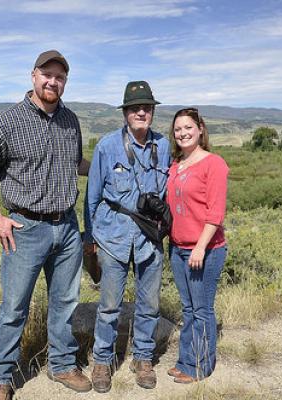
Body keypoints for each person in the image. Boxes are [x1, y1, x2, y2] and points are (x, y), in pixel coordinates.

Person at [0, 50, 91, 400]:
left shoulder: (70, 120)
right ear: (33, 76)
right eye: (47, 74)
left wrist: (113, 161)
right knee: (14, 307)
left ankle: (63, 364)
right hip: (25, 229)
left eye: (60, 77)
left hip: (67, 226)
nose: (53, 81)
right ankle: (0, 376)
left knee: (66, 301)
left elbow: (77, 163)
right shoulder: (7, 121)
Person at [83, 81, 170, 392]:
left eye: (146, 107)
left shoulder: (164, 146)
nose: (141, 112)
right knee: (109, 305)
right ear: (125, 113)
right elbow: (92, 196)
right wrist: (89, 238)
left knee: (149, 303)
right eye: (135, 108)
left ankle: (143, 358)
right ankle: (102, 361)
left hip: (150, 238)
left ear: (153, 112)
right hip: (112, 236)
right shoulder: (107, 146)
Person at [166, 107, 229, 383]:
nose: (183, 133)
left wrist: (200, 247)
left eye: (188, 128)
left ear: (200, 128)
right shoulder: (176, 165)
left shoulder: (214, 163)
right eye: (178, 129)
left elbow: (215, 213)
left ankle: (201, 366)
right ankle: (185, 361)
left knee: (202, 309)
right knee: (188, 309)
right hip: (177, 248)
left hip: (204, 250)